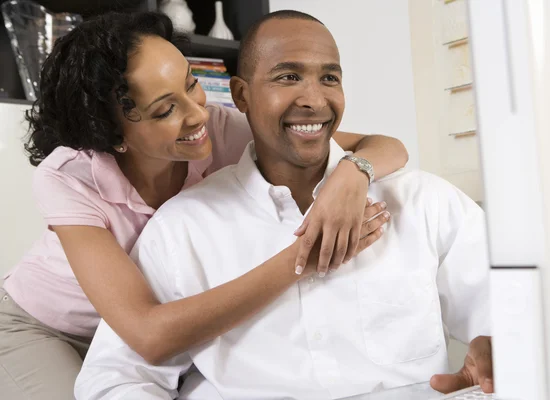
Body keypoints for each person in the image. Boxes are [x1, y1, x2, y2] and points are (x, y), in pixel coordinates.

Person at [75, 10, 493, 400]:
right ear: (241, 95)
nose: (314, 99)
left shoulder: (423, 203)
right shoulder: (181, 229)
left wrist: (501, 348)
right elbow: (116, 377)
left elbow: (513, 311)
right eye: (288, 77)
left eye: (330, 78)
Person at [0, 11, 409, 400]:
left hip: (169, 329)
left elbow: (383, 145)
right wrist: (304, 258)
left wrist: (353, 175)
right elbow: (147, 334)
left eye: (191, 83)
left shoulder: (219, 129)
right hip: (48, 329)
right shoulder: (69, 177)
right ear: (111, 134)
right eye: (165, 109)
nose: (198, 114)